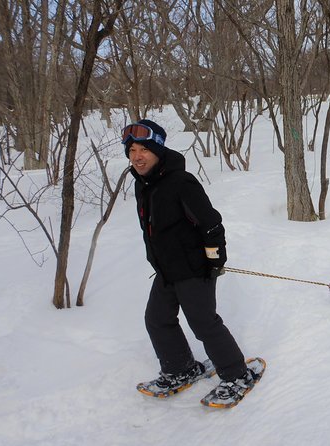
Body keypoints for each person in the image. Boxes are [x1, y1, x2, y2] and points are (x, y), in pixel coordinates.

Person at [124, 119, 262, 407]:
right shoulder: (144, 185)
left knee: (203, 323)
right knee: (157, 319)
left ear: (158, 151)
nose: (136, 156)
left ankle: (237, 374)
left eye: (143, 150)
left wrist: (213, 261)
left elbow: (211, 225)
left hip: (193, 269)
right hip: (165, 270)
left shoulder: (181, 182)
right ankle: (180, 367)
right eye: (132, 150)